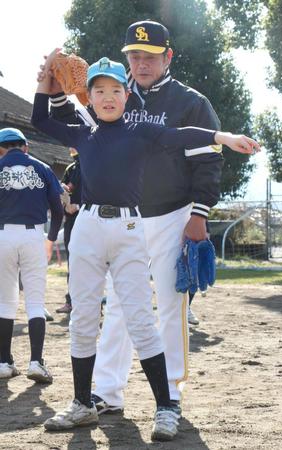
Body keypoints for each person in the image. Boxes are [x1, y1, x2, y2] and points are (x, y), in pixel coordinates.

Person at [31, 50, 259, 438]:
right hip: (86, 227)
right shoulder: (83, 132)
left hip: (128, 228)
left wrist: (224, 136)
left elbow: (182, 135)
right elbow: (40, 118)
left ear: (126, 96)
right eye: (98, 90)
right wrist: (45, 84)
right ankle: (83, 403)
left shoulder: (139, 131)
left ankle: (166, 405)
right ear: (90, 96)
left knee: (138, 317)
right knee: (84, 317)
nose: (106, 97)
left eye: (115, 90)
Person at [0, 127, 63, 383]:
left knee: (5, 301)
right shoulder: (42, 167)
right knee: (35, 302)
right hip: (33, 235)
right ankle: (36, 361)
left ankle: (4, 362)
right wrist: (50, 239)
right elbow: (58, 210)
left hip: (3, 235)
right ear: (25, 146)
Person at [56, 147, 82, 314]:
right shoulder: (71, 168)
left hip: (88, 217)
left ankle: (92, 303)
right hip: (71, 220)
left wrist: (78, 205)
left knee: (91, 261)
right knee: (72, 261)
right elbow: (64, 190)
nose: (71, 147)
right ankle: (71, 300)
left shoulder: (91, 164)